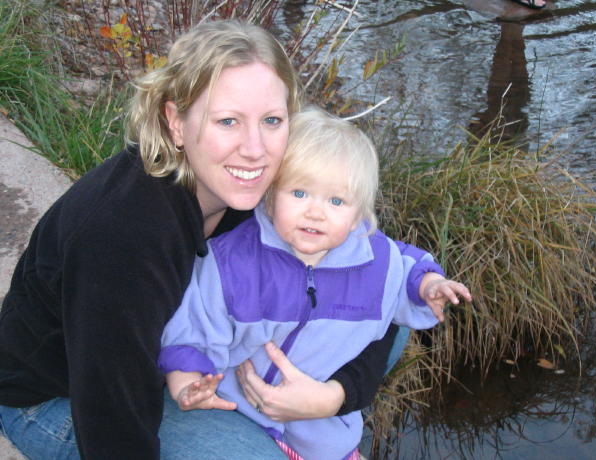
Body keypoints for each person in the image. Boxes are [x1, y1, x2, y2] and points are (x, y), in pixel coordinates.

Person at [0, 20, 403, 460]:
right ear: (176, 122)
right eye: (228, 121)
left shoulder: (262, 190)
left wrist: (333, 396)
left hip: (176, 360)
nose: (255, 149)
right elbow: (113, 421)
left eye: (271, 120)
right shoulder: (123, 238)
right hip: (62, 399)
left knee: (386, 305)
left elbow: (377, 277)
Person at [158, 107, 473, 460]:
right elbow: (192, 327)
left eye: (336, 201)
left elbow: (406, 265)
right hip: (238, 410)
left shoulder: (376, 261)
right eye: (299, 193)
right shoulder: (232, 261)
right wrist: (187, 383)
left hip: (322, 436)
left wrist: (429, 283)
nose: (315, 212)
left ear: (358, 215)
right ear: (270, 195)